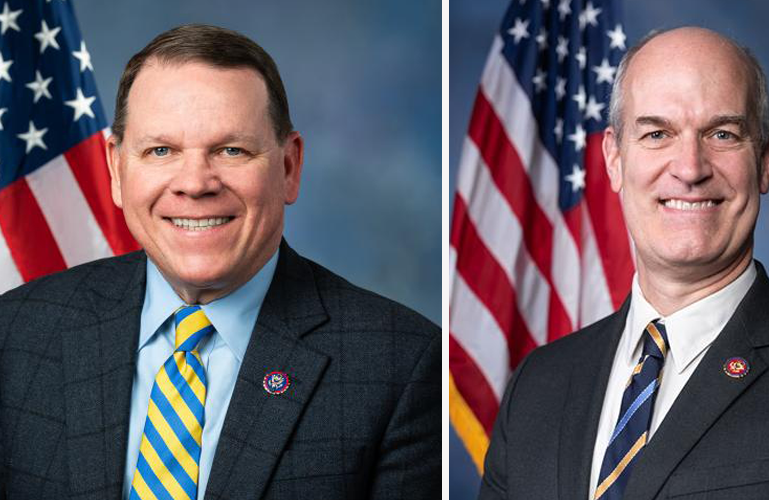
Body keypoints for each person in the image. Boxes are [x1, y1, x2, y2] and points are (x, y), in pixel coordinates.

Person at [0, 24, 440, 500]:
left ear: (289, 167)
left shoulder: (400, 364)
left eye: (232, 150)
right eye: (161, 150)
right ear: (116, 171)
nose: (195, 183)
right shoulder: (17, 334)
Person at [478, 27, 769, 500]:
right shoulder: (538, 385)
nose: (690, 168)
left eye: (722, 133)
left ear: (767, 161)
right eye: (657, 133)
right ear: (614, 159)